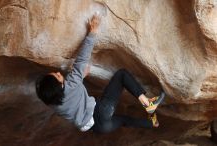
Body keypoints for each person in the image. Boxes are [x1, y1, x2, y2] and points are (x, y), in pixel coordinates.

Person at [36, 14, 165, 133]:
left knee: (124, 120)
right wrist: (92, 32)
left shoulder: (53, 103)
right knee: (122, 75)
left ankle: (152, 124)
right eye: (57, 76)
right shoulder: (72, 83)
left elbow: (70, 96)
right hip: (101, 111)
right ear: (59, 85)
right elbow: (82, 58)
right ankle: (148, 103)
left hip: (99, 128)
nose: (59, 73)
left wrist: (80, 78)